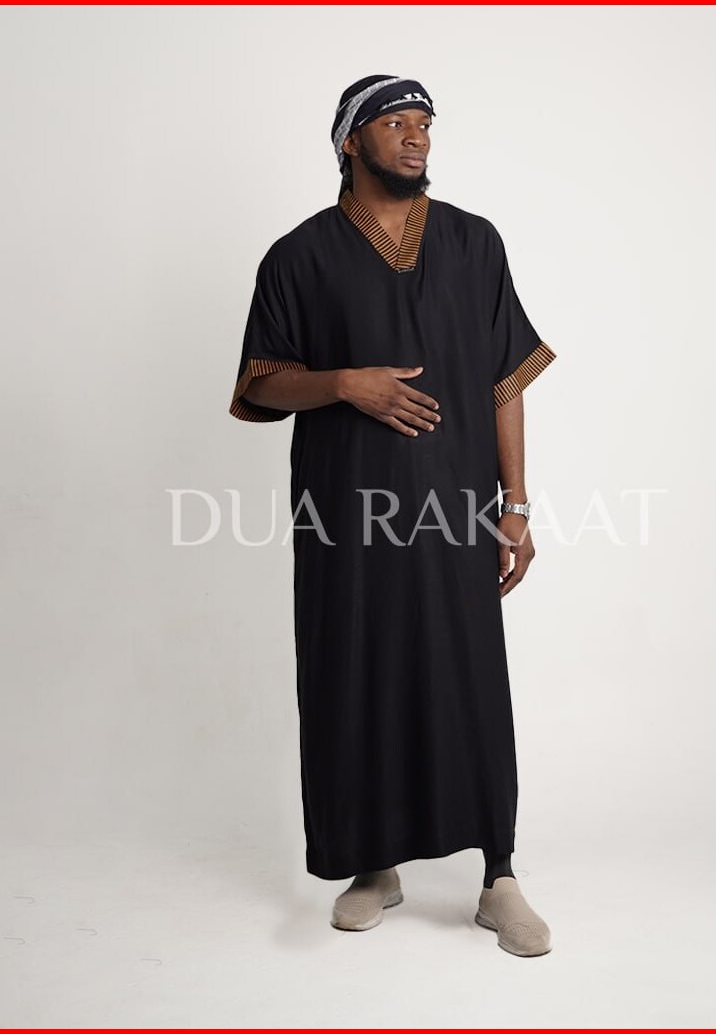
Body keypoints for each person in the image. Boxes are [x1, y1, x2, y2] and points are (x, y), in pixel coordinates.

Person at [228, 74, 557, 957]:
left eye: (424, 124)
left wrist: (515, 505)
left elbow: (505, 379)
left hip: (454, 509)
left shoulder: (473, 242)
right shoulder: (298, 256)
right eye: (394, 123)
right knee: (354, 672)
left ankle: (498, 875)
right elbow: (261, 383)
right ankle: (373, 865)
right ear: (350, 141)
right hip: (343, 512)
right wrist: (344, 383)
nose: (416, 137)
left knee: (468, 676)